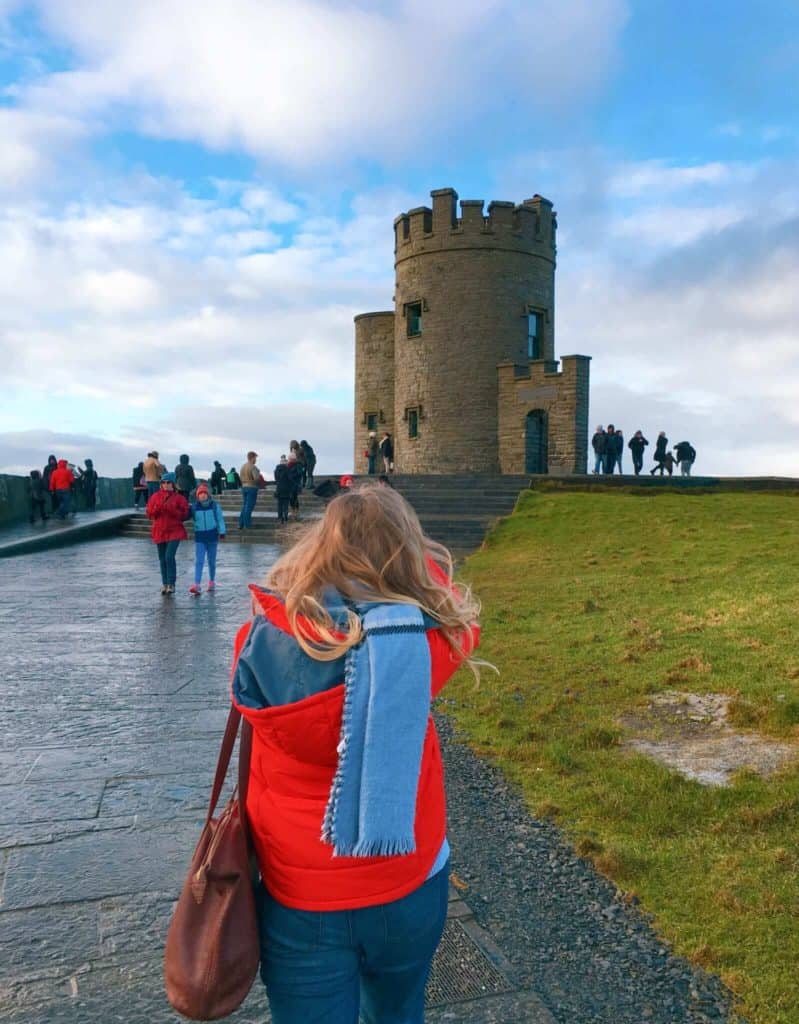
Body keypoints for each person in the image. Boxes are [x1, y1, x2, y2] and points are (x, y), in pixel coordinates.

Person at [228, 483, 481, 1024]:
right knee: (397, 1014)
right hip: (409, 881)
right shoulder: (428, 643)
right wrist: (401, 559)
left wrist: (314, 569)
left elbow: (274, 608)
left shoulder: (262, 641)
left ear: (317, 550)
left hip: (300, 898)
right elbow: (451, 599)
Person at [146, 472, 189, 595]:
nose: (165, 485)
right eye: (163, 482)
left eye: (168, 482)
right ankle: (165, 584)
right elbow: (149, 514)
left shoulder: (179, 498)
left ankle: (171, 583)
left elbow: (185, 514)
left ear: (173, 484)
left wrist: (172, 511)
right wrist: (156, 509)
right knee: (162, 559)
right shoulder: (155, 497)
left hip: (174, 531)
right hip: (159, 531)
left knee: (169, 557)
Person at [188, 482, 226, 595]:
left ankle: (211, 581)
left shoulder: (214, 506)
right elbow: (186, 515)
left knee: (211, 561)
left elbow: (220, 519)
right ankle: (197, 584)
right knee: (199, 561)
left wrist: (222, 531)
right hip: (200, 537)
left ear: (208, 495)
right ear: (197, 496)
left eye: (204, 493)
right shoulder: (194, 507)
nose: (202, 495)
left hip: (212, 536)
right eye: (200, 494)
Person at [239, 451, 262, 529]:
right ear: (252, 458)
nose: (256, 460)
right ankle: (247, 524)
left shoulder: (243, 466)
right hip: (252, 487)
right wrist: (258, 474)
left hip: (244, 487)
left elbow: (240, 478)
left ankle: (240, 523)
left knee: (245, 506)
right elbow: (256, 479)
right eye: (255, 458)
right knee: (249, 507)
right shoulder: (253, 467)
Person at [274, 455, 291, 524]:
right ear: (285, 463)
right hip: (286, 489)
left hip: (279, 489)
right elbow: (290, 479)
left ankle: (280, 517)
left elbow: (276, 479)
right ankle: (285, 517)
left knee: (279, 505)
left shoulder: (276, 470)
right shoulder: (287, 469)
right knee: (285, 504)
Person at [287, 451, 304, 520]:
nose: (289, 460)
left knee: (294, 498)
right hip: (290, 485)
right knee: (291, 499)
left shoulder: (298, 465)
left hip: (295, 484)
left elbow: (300, 473)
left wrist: (291, 476)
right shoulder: (288, 465)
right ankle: (293, 511)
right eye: (289, 458)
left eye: (290, 458)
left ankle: (296, 512)